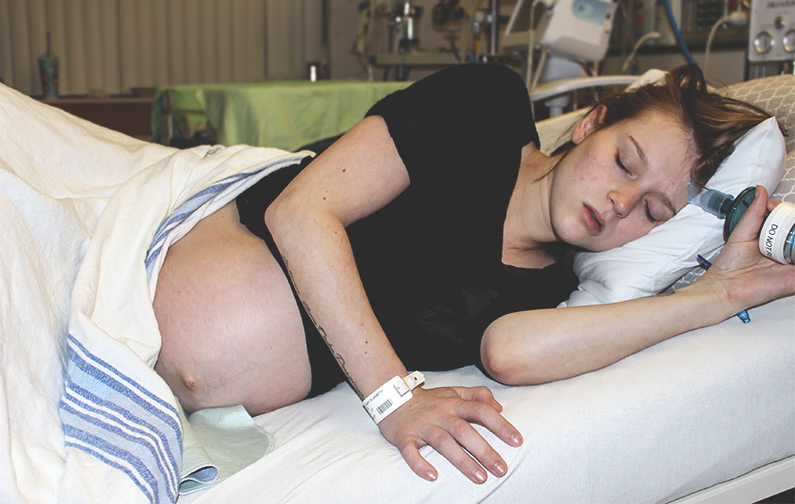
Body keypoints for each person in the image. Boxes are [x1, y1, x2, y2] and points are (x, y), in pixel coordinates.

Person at [152, 63, 795, 485]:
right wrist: (394, 398)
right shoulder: (486, 109)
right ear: (592, 121)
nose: (624, 203)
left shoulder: (552, 290)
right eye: (625, 163)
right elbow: (301, 212)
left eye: (654, 211)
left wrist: (719, 294)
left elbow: (509, 352)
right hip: (135, 260)